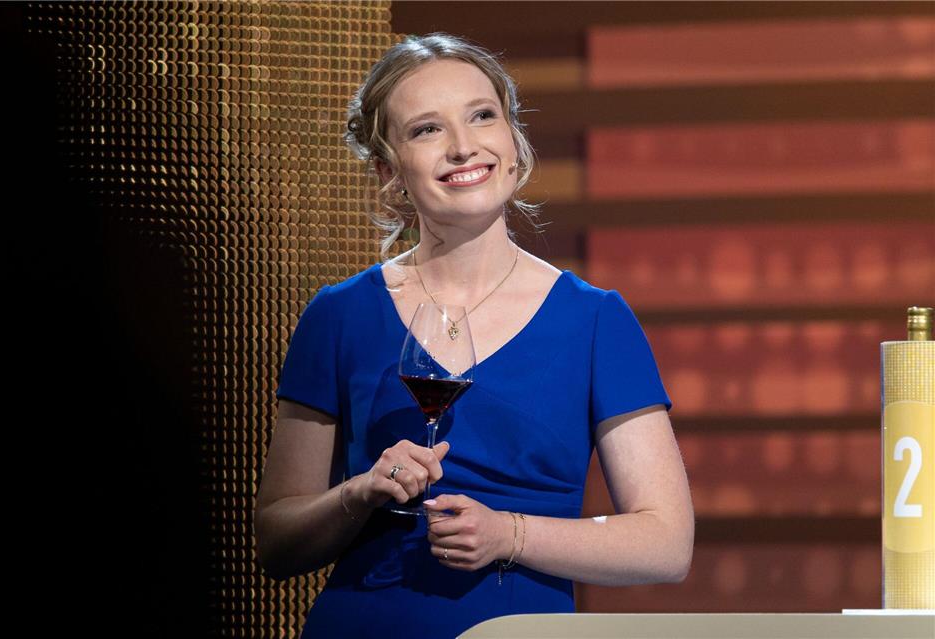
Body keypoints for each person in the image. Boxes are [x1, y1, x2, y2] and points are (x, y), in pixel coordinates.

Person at [254, 33, 694, 638]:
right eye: (427, 130)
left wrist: (509, 534)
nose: (464, 147)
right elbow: (277, 543)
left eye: (482, 116)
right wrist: (360, 494)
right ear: (390, 170)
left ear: (512, 142)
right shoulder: (338, 314)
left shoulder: (595, 320)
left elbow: (666, 544)